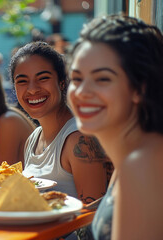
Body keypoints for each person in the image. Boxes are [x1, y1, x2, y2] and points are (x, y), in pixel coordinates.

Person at [67, 15, 163, 239]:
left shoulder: (142, 164)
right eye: (77, 78)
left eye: (102, 79)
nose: (82, 92)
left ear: (139, 88)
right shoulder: (133, 156)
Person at [10, 41, 110, 203]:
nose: (32, 89)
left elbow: (91, 215)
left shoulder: (79, 138)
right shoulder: (33, 138)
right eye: (22, 81)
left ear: (62, 82)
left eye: (43, 78)